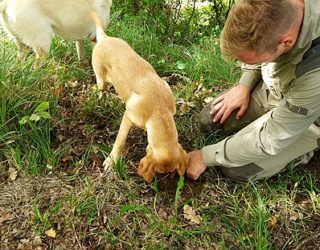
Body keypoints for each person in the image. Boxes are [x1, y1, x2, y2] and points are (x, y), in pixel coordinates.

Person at [186, 0, 320, 181]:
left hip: (308, 117)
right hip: (274, 88)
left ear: (286, 42)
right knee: (209, 120)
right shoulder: (276, 10)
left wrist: (206, 156)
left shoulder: (315, 72)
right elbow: (262, 39)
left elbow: (274, 135)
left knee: (236, 170)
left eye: (253, 62)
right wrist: (244, 85)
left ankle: (306, 150)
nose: (248, 64)